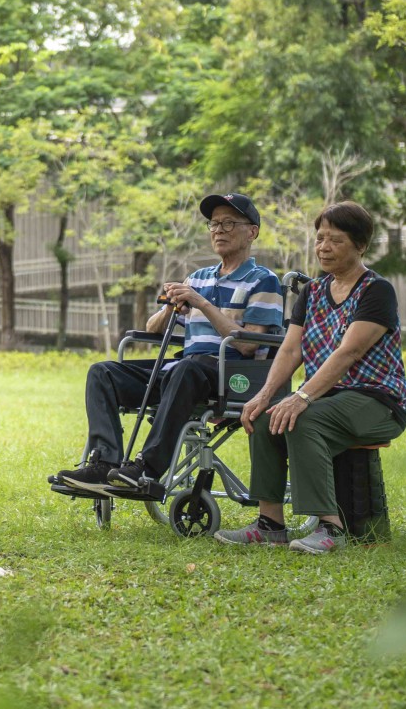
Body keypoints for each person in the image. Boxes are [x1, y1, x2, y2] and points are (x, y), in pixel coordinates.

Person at [54, 193, 283, 500]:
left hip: (230, 373)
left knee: (188, 367)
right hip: (184, 372)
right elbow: (152, 330)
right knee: (103, 372)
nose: (219, 230)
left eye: (229, 223)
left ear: (252, 231)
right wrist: (169, 308)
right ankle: (104, 462)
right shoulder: (198, 278)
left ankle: (147, 469)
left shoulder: (263, 280)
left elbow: (249, 345)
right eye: (214, 223)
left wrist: (201, 303)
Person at [214, 200, 406, 554]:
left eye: (335, 240)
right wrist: (263, 395)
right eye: (319, 239)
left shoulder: (376, 290)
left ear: (360, 245)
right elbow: (290, 351)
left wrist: (302, 396)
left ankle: (329, 528)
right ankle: (270, 523)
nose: (323, 247)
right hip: (329, 397)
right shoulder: (313, 292)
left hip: (378, 400)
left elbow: (348, 353)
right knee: (264, 417)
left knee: (302, 419)